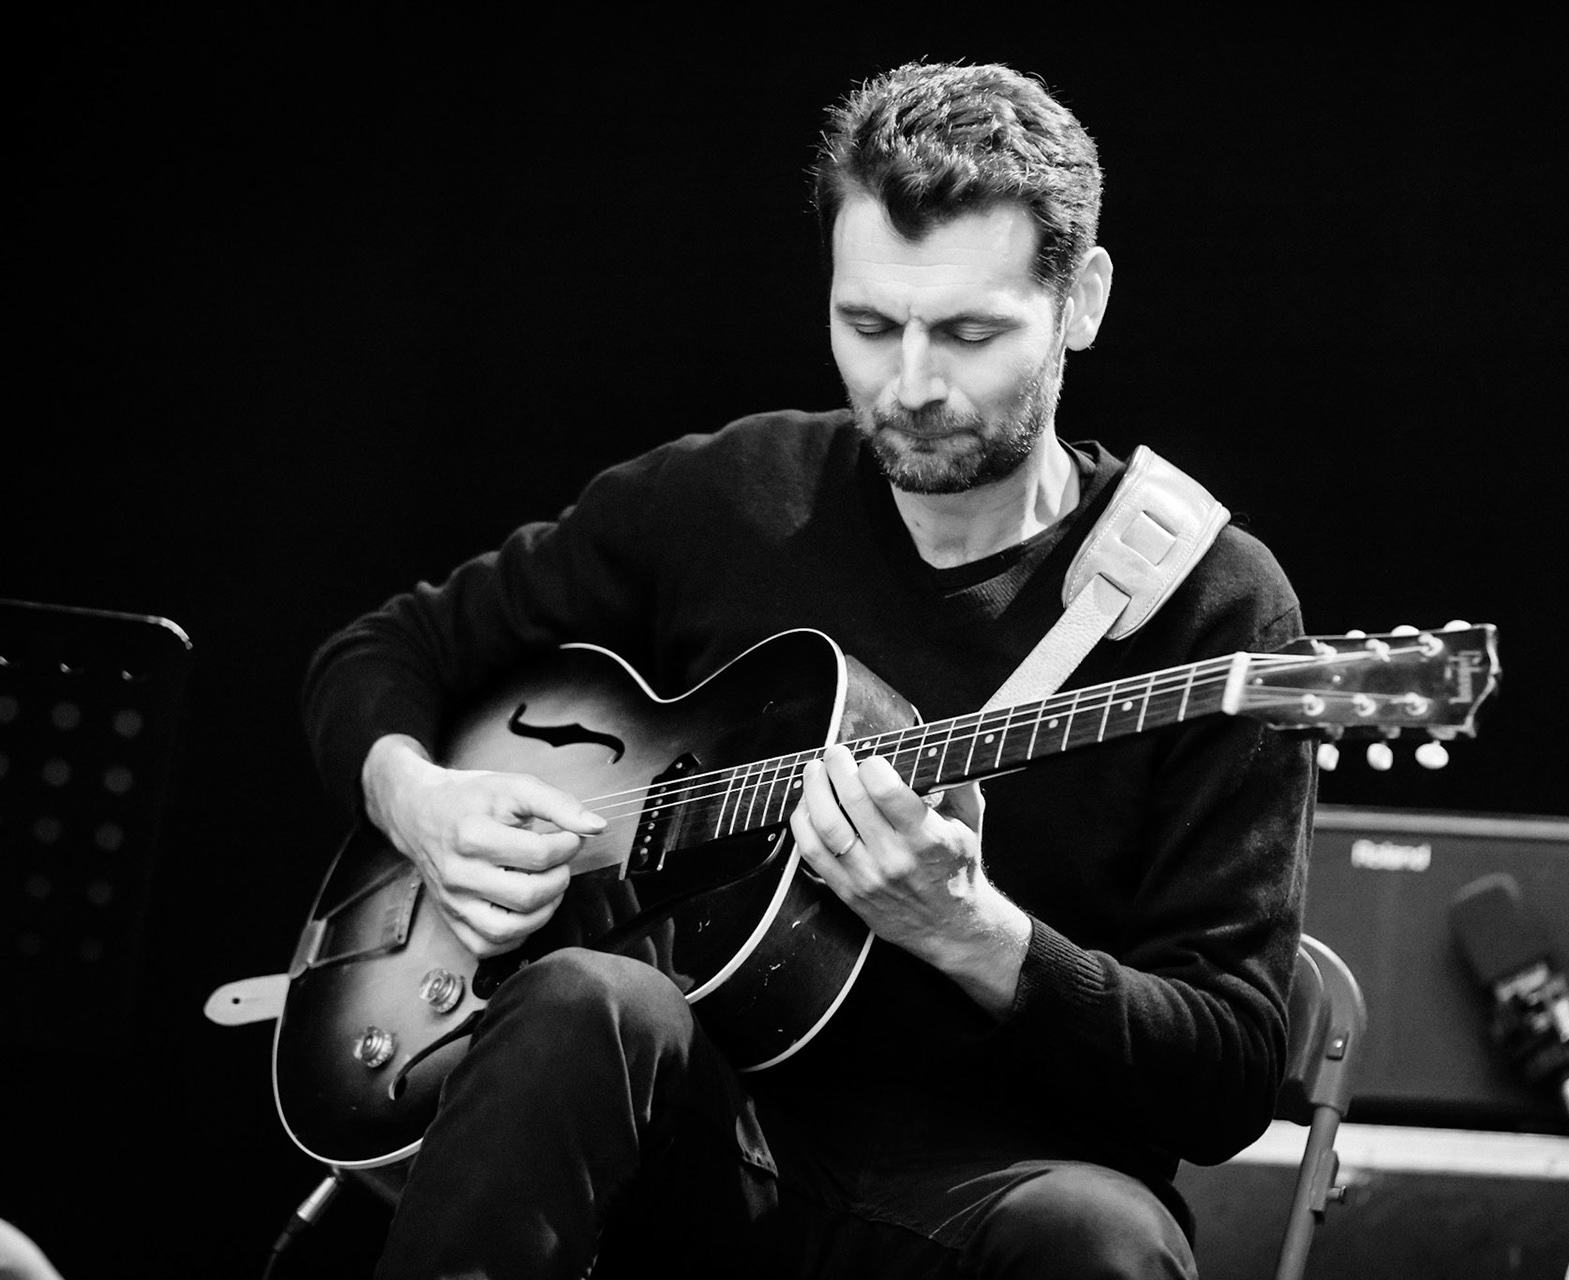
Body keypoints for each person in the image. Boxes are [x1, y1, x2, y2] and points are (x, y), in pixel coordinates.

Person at [301, 60, 1314, 1279]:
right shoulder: (731, 494)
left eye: (971, 332)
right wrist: (420, 797)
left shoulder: (1214, 604)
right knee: (581, 998)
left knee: (1105, 1242)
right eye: (869, 325)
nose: (912, 384)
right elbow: (384, 651)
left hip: (1003, 1189)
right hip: (700, 1150)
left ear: (1081, 299)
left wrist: (972, 930)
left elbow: (1229, 1073)